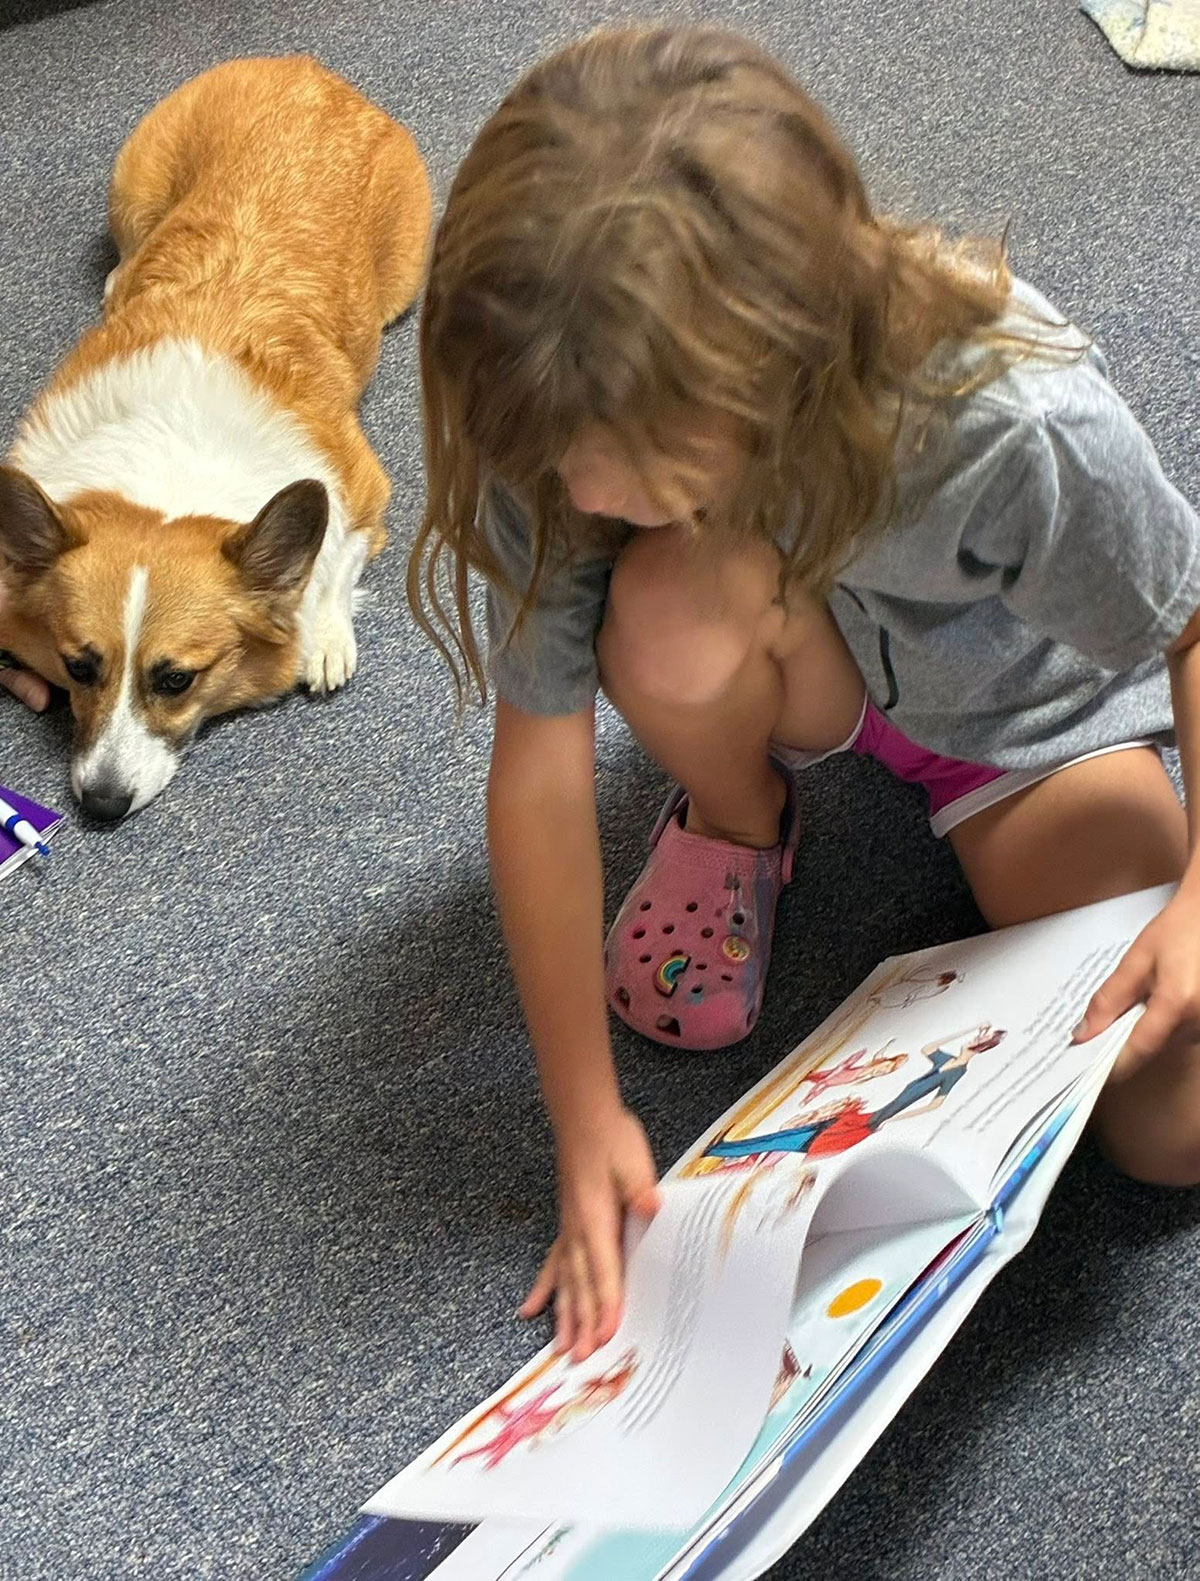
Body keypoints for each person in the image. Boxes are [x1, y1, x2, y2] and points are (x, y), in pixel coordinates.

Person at [411, 24, 1200, 1361]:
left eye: (633, 467)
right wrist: (585, 1115)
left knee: (1166, 1124)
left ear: (774, 369)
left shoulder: (1011, 414)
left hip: (1019, 722)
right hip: (784, 653)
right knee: (659, 613)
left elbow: (1192, 616)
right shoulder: (550, 396)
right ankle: (738, 819)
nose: (582, 495)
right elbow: (537, 766)